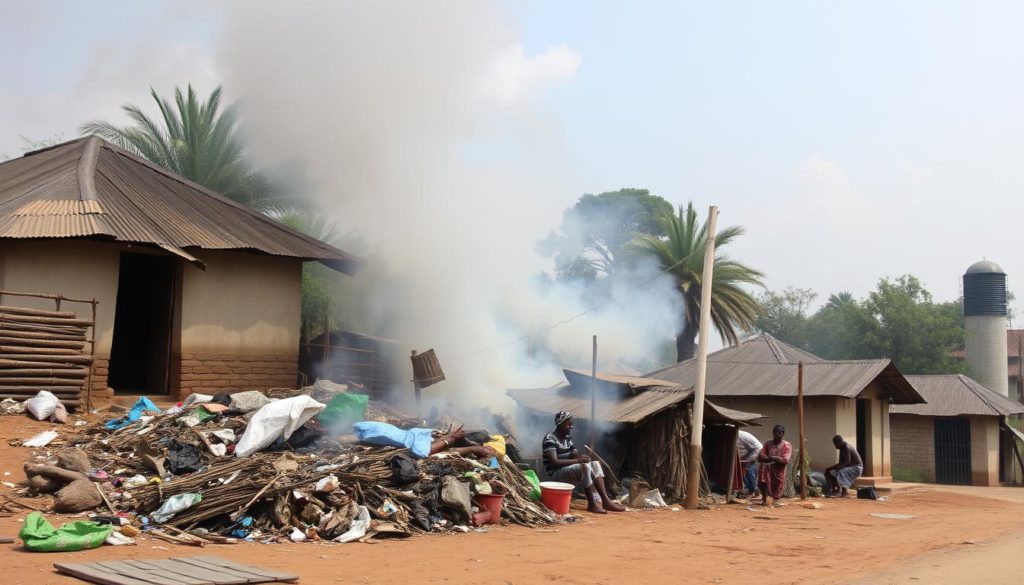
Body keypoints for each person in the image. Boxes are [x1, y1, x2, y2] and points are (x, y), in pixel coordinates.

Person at [543, 411, 625, 514]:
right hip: (555, 474)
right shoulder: (549, 439)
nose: (571, 426)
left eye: (571, 424)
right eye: (568, 424)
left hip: (567, 470)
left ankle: (606, 501)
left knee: (595, 464)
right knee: (584, 467)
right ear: (560, 424)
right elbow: (554, 462)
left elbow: (574, 455)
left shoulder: (568, 438)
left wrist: (582, 458)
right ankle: (592, 504)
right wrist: (578, 461)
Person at [757, 424, 792, 506]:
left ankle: (774, 500)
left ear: (783, 434)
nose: (777, 435)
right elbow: (760, 457)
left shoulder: (786, 445)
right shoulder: (767, 443)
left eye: (780, 433)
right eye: (775, 433)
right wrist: (774, 458)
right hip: (767, 468)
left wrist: (771, 458)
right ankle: (765, 499)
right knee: (763, 480)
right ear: (773, 433)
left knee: (777, 485)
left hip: (779, 470)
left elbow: (785, 460)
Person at [736, 429, 762, 498]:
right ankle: (750, 489)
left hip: (754, 451)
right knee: (743, 470)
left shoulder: (741, 435)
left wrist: (748, 461)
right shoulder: (735, 435)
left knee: (748, 468)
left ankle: (751, 490)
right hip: (745, 454)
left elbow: (758, 447)